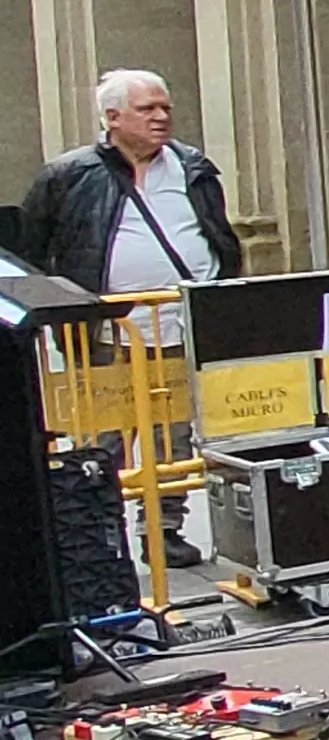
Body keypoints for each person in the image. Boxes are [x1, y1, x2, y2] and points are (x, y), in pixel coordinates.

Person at [18, 68, 246, 568]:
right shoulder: (68, 175)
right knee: (103, 439)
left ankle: (163, 530)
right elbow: (32, 251)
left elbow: (217, 233)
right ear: (112, 117)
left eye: (165, 107)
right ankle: (96, 537)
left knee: (175, 437)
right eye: (148, 109)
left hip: (183, 327)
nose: (162, 117)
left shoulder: (192, 167)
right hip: (108, 335)